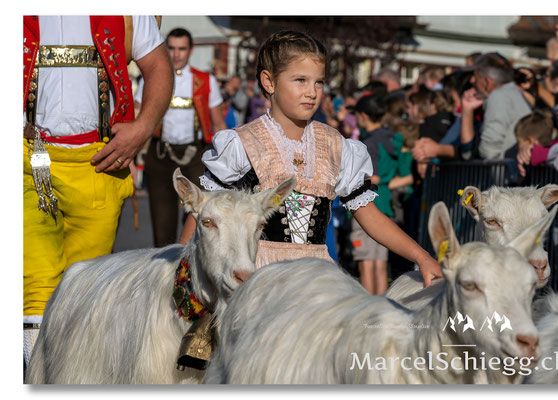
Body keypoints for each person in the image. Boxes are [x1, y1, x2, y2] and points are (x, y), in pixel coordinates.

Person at [179, 30, 441, 288]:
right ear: (269, 82)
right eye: (300, 80)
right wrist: (179, 273)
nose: (312, 92)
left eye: (319, 82)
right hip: (257, 277)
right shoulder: (241, 144)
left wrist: (421, 257)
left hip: (316, 280)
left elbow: (369, 215)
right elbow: (204, 210)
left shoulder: (337, 146)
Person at [23, 15, 173, 365]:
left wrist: (143, 128)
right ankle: (33, 375)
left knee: (82, 287)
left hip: (101, 162)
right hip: (26, 156)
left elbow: (158, 67)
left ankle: (68, 373)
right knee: (36, 279)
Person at [134, 27, 226, 248]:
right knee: (162, 226)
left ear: (191, 50)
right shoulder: (152, 79)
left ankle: (191, 276)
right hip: (160, 154)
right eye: (172, 48)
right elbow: (137, 116)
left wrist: (227, 160)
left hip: (196, 158)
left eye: (182, 49)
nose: (176, 54)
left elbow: (218, 123)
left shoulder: (206, 80)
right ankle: (164, 277)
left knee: (197, 221)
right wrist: (130, 156)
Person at [350, 94, 402, 294]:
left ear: (363, 116)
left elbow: (374, 176)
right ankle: (382, 305)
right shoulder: (392, 139)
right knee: (380, 263)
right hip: (386, 204)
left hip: (366, 204)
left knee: (365, 262)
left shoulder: (369, 144)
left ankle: (367, 311)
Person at [460, 52, 531, 160]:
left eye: (476, 76)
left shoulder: (499, 96)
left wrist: (485, 167)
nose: (472, 81)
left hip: (501, 173)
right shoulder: (514, 93)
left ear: (488, 82)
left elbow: (489, 149)